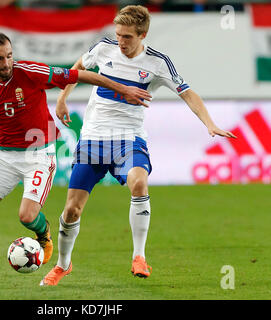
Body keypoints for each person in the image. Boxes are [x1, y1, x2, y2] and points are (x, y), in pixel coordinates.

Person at [40, 5, 236, 286]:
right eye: (118, 34)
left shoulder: (158, 63)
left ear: (142, 35)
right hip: (93, 138)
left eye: (128, 37)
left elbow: (188, 93)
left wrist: (209, 123)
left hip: (128, 138)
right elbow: (78, 68)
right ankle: (62, 265)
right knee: (72, 209)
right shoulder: (104, 48)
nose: (121, 41)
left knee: (139, 184)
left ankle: (139, 256)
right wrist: (61, 99)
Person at [0, 32, 151, 290]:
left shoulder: (31, 72)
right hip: (4, 155)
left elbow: (80, 74)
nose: (7, 63)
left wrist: (122, 88)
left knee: (26, 216)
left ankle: (43, 233)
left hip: (39, 153)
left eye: (10, 56)